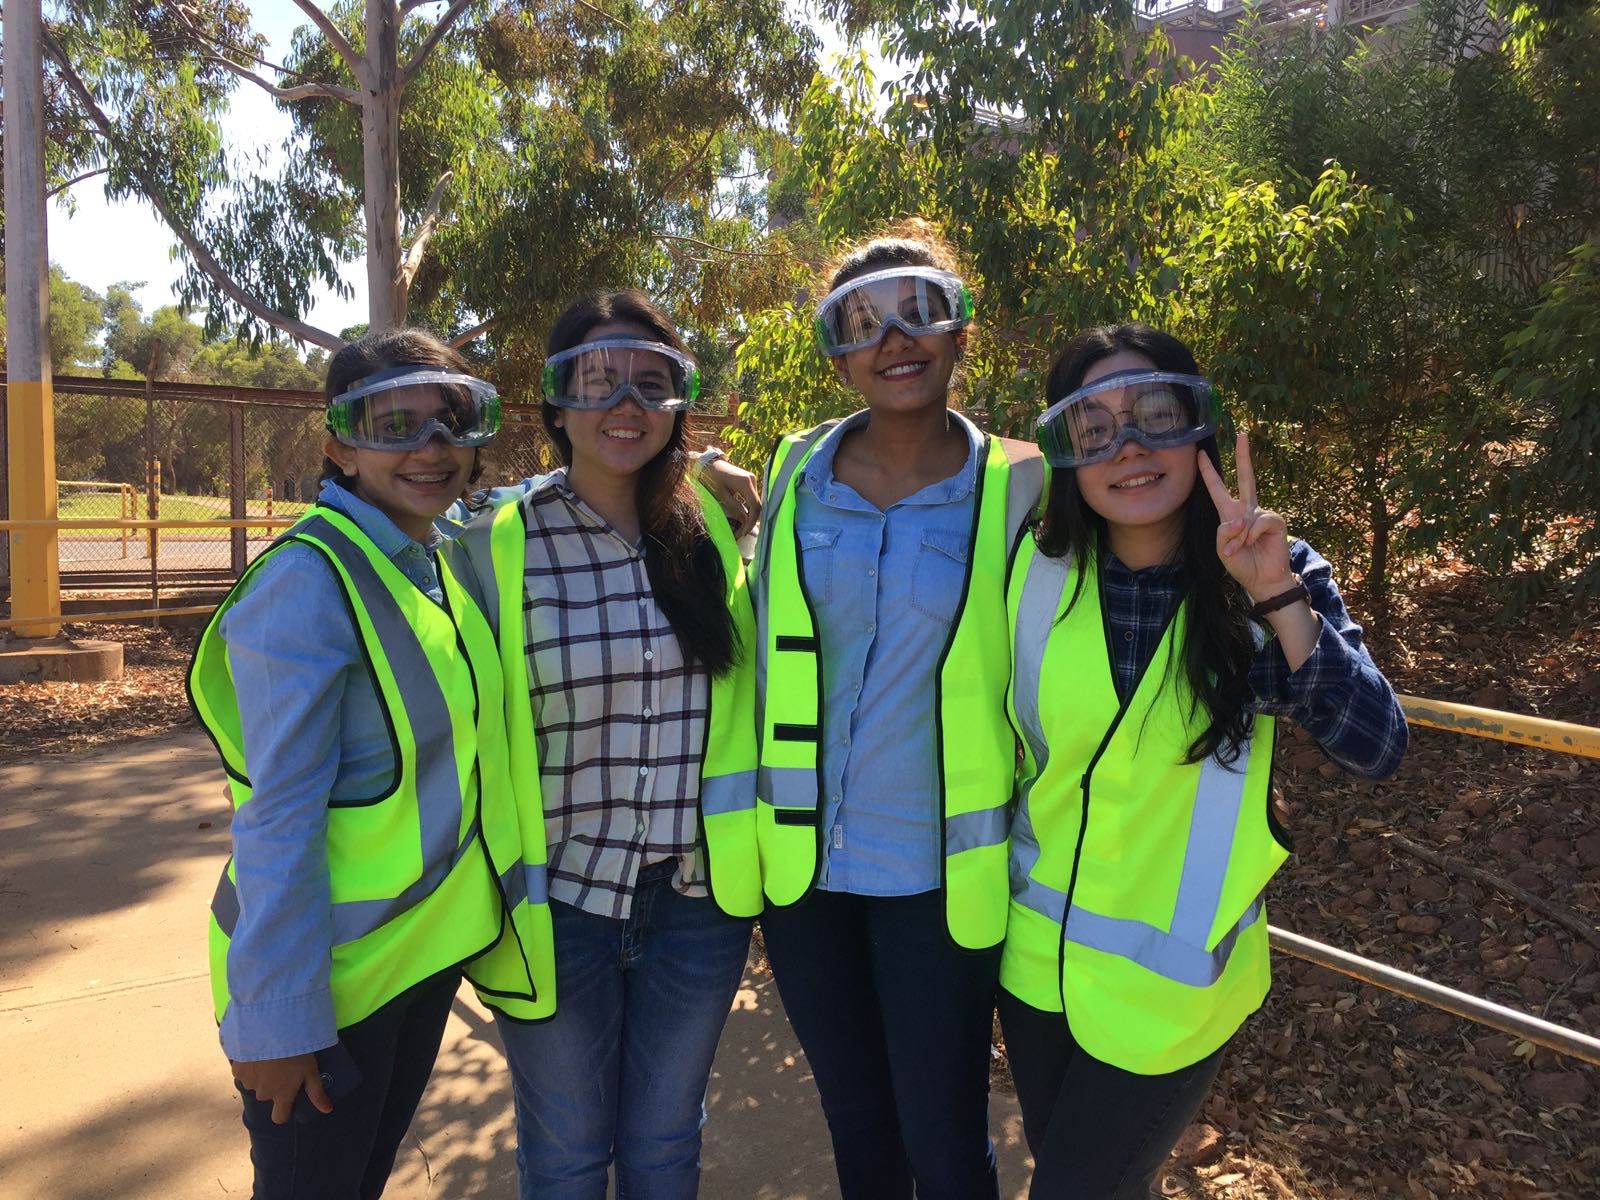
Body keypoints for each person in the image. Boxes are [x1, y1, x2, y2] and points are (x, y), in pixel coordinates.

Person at [998, 323, 1407, 1199]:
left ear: (1198, 432)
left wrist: (1276, 597)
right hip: (1035, 972)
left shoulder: (1267, 575)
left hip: (1174, 994)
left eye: (1154, 415)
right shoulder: (1034, 575)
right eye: (1095, 428)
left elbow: (1376, 745)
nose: (1130, 446)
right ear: (1068, 455)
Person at [189, 330, 546, 1199]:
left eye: (450, 423)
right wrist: (276, 1022)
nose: (429, 450)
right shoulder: (307, 583)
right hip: (329, 989)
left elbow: (514, 497)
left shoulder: (428, 554)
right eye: (393, 426)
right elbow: (278, 816)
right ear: (338, 447)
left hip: (418, 964)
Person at [751, 220, 1044, 1200]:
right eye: (862, 324)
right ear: (838, 355)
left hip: (935, 872)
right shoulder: (793, 472)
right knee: (859, 1131)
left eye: (920, 312)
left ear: (962, 331)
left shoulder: (1022, 486)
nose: (894, 340)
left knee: (945, 1141)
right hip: (804, 873)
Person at [454, 290, 762, 1199]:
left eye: (651, 382)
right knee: (567, 1154)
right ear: (555, 405)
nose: (625, 403)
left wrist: (715, 476)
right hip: (556, 903)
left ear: (677, 404)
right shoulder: (493, 540)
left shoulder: (716, 532)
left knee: (666, 1145)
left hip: (698, 904)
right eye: (597, 380)